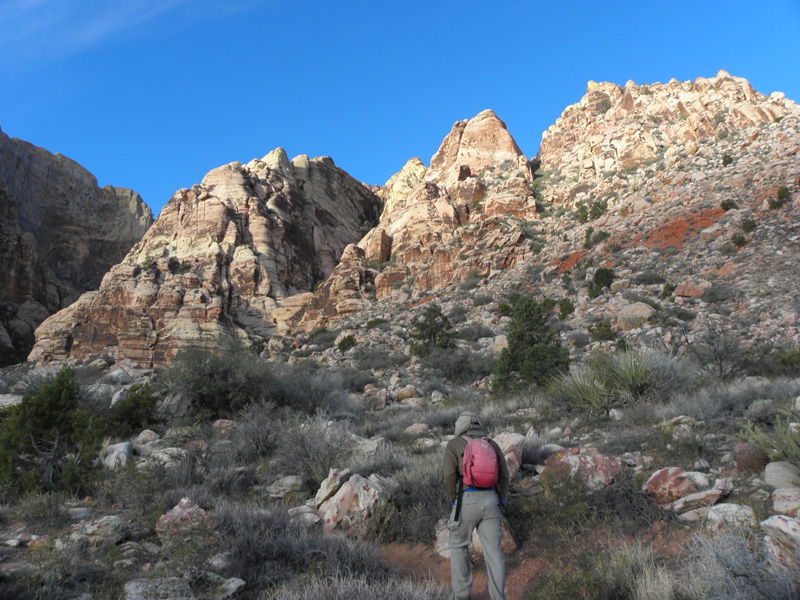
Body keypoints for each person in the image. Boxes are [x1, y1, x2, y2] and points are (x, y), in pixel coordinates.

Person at [442, 411, 510, 600]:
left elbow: (448, 475)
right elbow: (504, 475)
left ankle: (462, 595)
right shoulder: (491, 444)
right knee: (494, 553)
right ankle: (498, 597)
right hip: (491, 502)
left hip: (465, 500)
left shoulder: (454, 445)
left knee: (458, 547)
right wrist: (501, 499)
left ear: (460, 426)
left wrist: (453, 499)